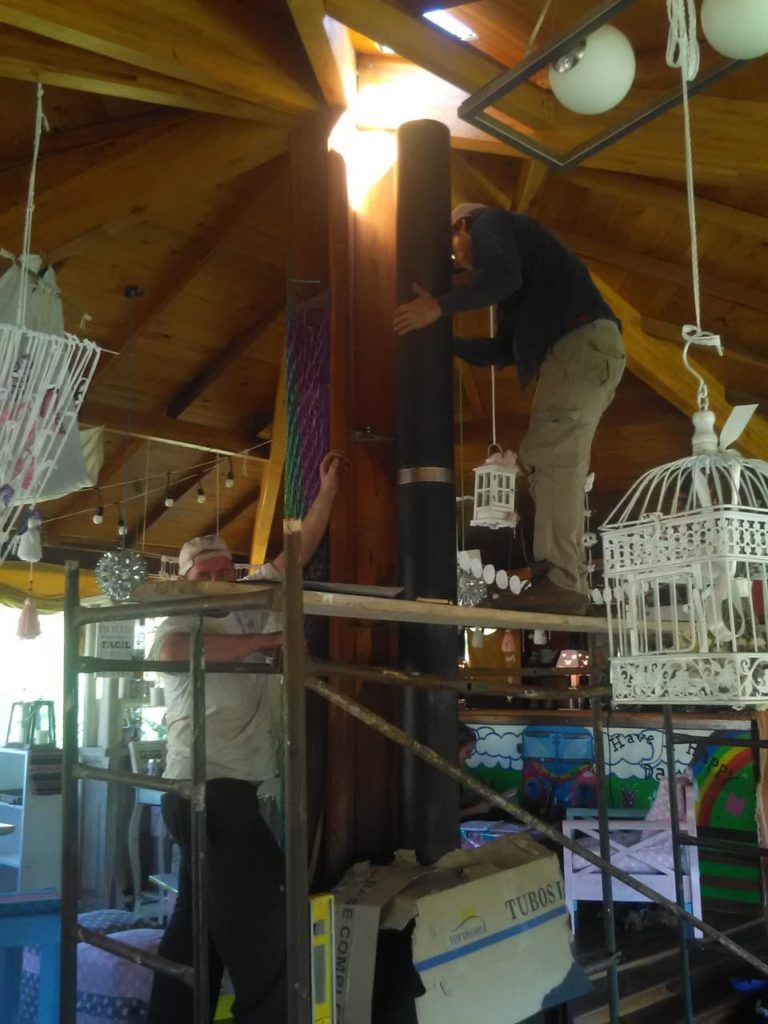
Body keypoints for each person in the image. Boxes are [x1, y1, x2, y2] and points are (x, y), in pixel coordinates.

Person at [147, 450, 345, 1024]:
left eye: (223, 572)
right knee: (269, 929)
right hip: (204, 793)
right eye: (203, 575)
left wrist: (328, 492)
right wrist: (261, 645)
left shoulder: (252, 598)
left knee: (197, 931)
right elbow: (175, 653)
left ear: (235, 572)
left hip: (228, 791)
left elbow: (297, 552)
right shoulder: (180, 619)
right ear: (186, 582)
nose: (216, 581)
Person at [394, 204, 626, 614]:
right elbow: (502, 350)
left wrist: (439, 307)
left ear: (462, 225)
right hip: (585, 351)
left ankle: (563, 581)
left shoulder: (490, 223)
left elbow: (502, 277)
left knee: (551, 457)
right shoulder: (520, 281)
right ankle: (564, 577)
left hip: (577, 347)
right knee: (549, 459)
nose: (458, 260)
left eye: (453, 248)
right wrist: (439, 336)